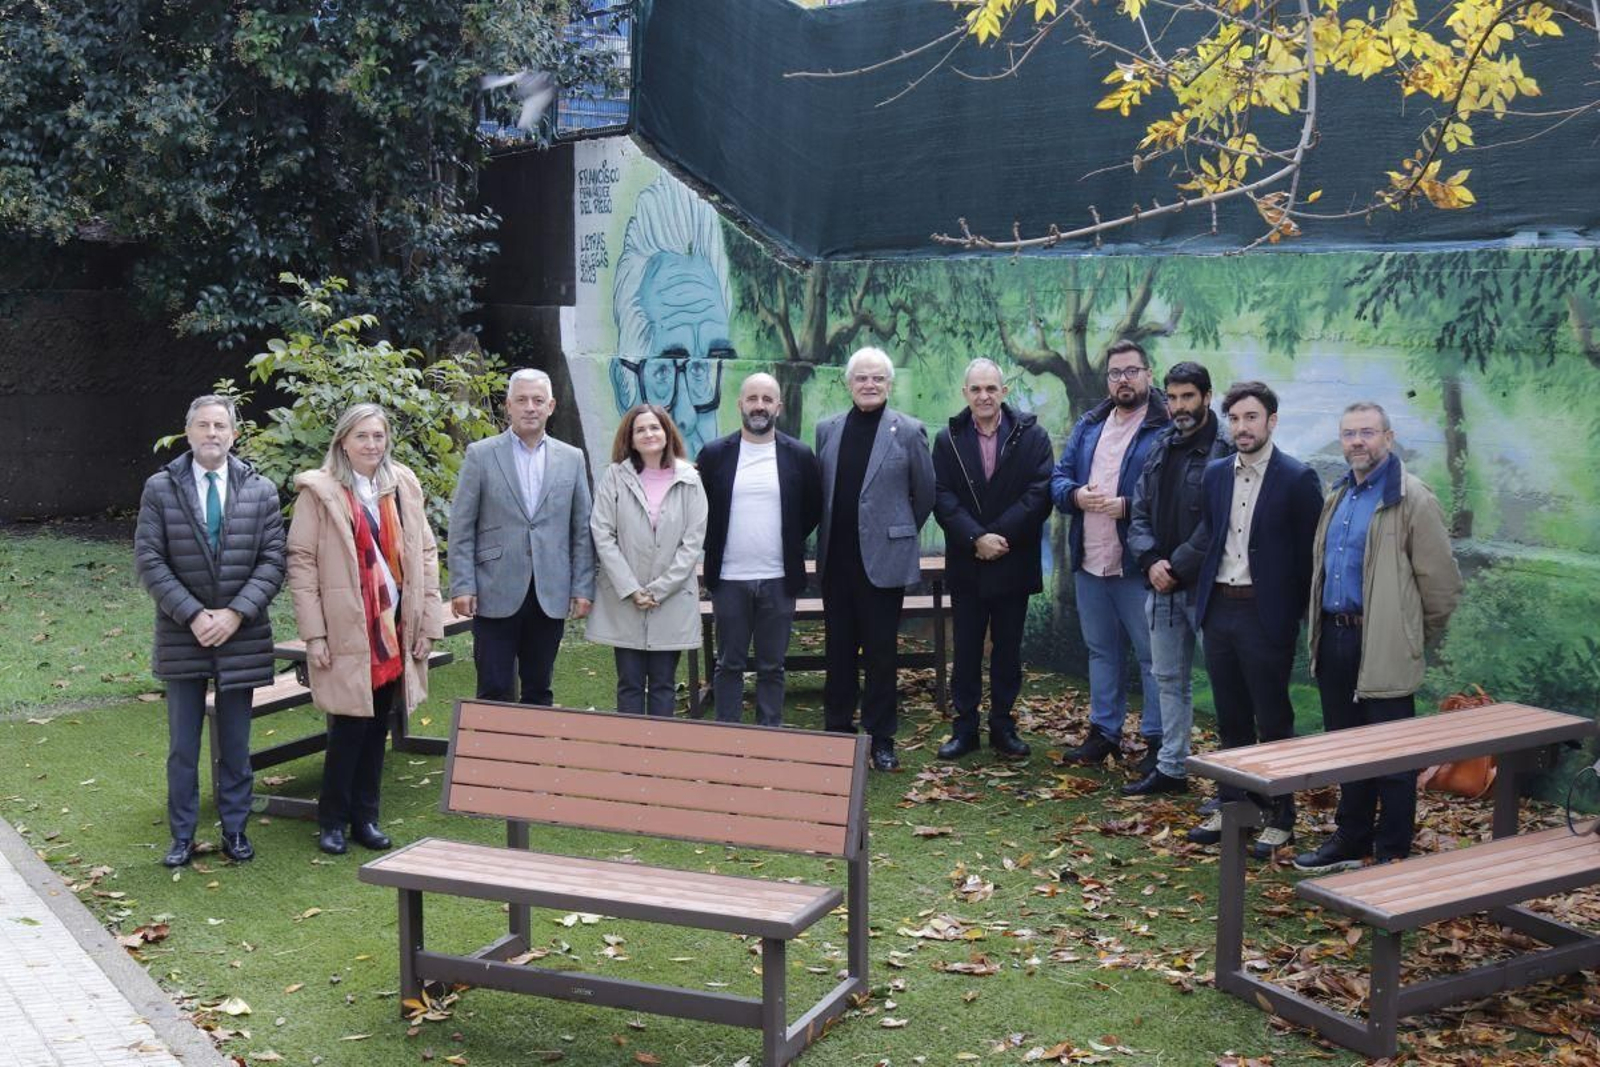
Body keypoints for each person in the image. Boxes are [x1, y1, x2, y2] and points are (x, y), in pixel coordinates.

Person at [1294, 403, 1462, 872]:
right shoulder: (1339, 494)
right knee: (1347, 747)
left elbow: (1442, 587)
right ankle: (1351, 839)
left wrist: (1408, 635)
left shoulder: (1412, 498)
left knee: (1392, 757)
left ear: (1388, 437)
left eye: (1367, 432)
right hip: (1336, 638)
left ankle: (1391, 852)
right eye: (1348, 434)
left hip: (1384, 643)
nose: (1357, 442)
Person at [286, 403, 444, 856]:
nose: (372, 444)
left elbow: (427, 553)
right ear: (343, 442)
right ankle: (332, 820)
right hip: (346, 630)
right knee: (349, 726)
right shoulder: (319, 493)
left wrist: (427, 623)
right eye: (362, 436)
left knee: (379, 725)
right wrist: (313, 635)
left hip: (395, 627)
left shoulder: (402, 486)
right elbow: (302, 565)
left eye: (378, 436)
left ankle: (365, 818)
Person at [134, 394, 285, 868]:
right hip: (184, 635)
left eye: (220, 426)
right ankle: (181, 836)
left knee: (237, 744)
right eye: (203, 425)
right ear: (189, 432)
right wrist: (195, 615)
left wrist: (235, 613)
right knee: (183, 745)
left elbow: (273, 561)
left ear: (234, 434)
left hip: (241, 635)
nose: (212, 434)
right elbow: (150, 560)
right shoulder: (160, 488)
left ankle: (235, 830)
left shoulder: (261, 490)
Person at [1185, 381, 1323, 860]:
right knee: (1230, 716)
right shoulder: (1216, 474)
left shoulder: (1297, 478)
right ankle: (1233, 804)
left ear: (1271, 421)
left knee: (1273, 716)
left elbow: (1309, 558)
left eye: (1251, 418)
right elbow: (1210, 535)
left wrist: (1292, 617)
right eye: (1236, 419)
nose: (1242, 428)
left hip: (1265, 615)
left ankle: (1281, 814)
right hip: (1219, 608)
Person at [1050, 340, 1170, 768]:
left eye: (1132, 371)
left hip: (1137, 564)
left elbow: (1173, 496)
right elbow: (1058, 479)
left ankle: (1159, 742)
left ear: (1148, 375)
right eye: (1116, 373)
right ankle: (1105, 732)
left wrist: (1127, 507)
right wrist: (1077, 495)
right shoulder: (1090, 424)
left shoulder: (1165, 427)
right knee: (1101, 651)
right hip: (1090, 559)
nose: (1123, 380)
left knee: (1153, 657)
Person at [815, 347, 936, 771]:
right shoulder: (827, 429)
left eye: (877, 379)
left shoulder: (908, 431)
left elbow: (925, 495)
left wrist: (897, 533)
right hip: (837, 563)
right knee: (839, 651)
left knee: (882, 655)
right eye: (862, 378)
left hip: (883, 563)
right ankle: (837, 732)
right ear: (849, 384)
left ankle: (881, 738)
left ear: (889, 384)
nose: (869, 385)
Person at [448, 369, 595, 706]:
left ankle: (531, 757)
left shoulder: (571, 458)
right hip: (494, 587)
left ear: (551, 406)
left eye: (538, 400)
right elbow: (462, 525)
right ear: (508, 406)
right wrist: (463, 585)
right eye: (522, 400)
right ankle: (491, 757)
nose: (530, 407)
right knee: (493, 687)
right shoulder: (481, 454)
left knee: (539, 688)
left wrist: (582, 587)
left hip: (550, 590)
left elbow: (581, 529)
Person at [932, 358, 1054, 760]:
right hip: (968, 563)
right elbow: (942, 496)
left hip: (1012, 561)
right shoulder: (947, 439)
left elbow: (1039, 493)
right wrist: (975, 537)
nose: (984, 396)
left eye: (991, 389)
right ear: (965, 393)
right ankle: (964, 729)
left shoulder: (1032, 437)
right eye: (976, 389)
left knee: (1007, 651)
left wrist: (999, 535)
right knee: (965, 651)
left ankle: (1003, 725)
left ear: (1004, 391)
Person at [1123, 362, 1233, 796]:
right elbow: (1140, 507)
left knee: (1227, 688)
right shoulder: (1162, 445)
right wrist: (1151, 560)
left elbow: (1218, 520)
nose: (1180, 406)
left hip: (1207, 589)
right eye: (1172, 398)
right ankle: (1171, 768)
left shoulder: (1224, 449)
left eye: (1188, 396)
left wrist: (1177, 566)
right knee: (1168, 679)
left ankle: (1234, 783)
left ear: (1207, 397)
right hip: (1161, 585)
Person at [697, 372, 822, 725]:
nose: (759, 406)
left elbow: (813, 508)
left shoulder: (798, 455)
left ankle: (769, 735)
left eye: (767, 399)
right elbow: (698, 509)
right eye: (752, 398)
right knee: (729, 664)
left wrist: (786, 539)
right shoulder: (714, 455)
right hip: (730, 578)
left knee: (772, 666)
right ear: (740, 404)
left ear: (778, 407)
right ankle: (728, 734)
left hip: (778, 578)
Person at [587, 404, 709, 716]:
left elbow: (692, 541)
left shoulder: (690, 479)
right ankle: (629, 759)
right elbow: (602, 533)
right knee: (628, 682)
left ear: (667, 433)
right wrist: (631, 588)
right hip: (625, 599)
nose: (648, 434)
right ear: (630, 437)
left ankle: (658, 758)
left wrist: (658, 590)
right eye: (640, 429)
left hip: (671, 600)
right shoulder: (614, 477)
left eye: (654, 427)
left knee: (663, 683)